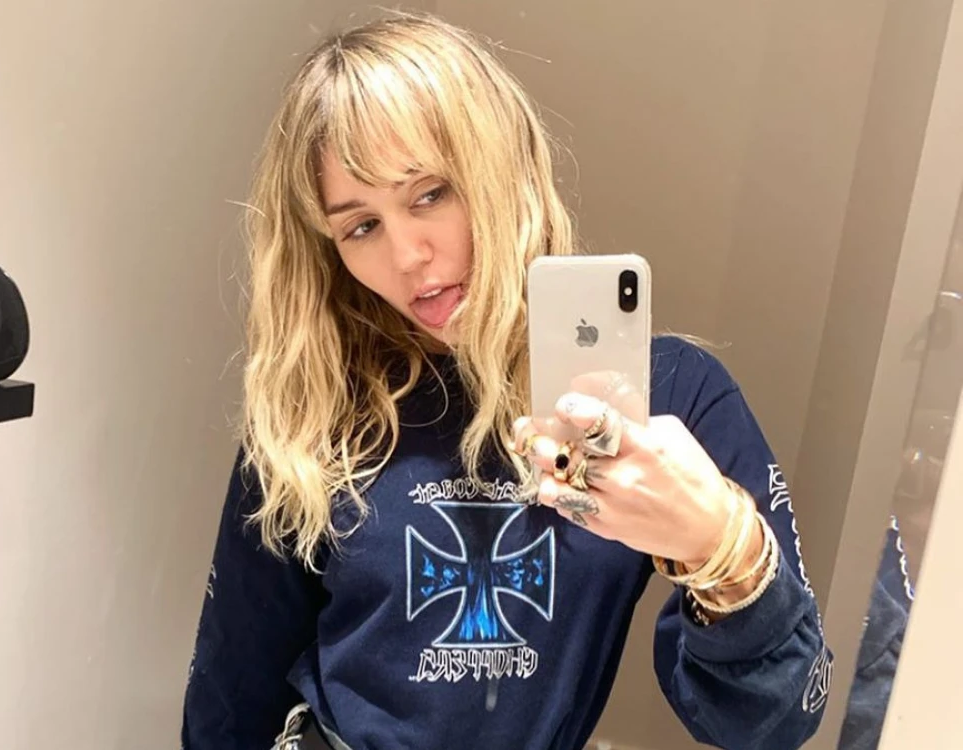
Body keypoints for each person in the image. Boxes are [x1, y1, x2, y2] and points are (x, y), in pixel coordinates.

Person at [182, 11, 834, 750]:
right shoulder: (319, 401)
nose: (407, 254)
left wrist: (721, 542)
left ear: (503, 168)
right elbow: (230, 698)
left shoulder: (669, 399)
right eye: (361, 226)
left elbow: (776, 719)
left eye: (430, 193)